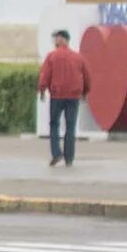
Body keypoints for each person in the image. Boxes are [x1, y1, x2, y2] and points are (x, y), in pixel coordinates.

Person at [38, 30, 89, 167]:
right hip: (73, 97)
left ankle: (56, 154)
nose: (55, 41)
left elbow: (45, 75)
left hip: (57, 95)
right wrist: (85, 92)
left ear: (64, 40)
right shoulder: (78, 57)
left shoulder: (52, 56)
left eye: (57, 39)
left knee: (54, 124)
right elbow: (86, 76)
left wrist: (42, 90)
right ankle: (69, 158)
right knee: (70, 126)